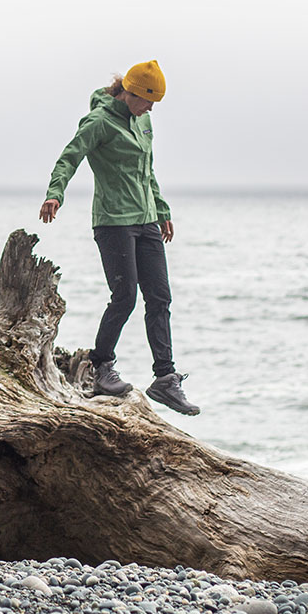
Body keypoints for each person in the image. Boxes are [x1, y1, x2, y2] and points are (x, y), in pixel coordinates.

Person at [39, 60, 200, 416]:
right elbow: (71, 156)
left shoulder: (143, 121)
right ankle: (100, 368)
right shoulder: (100, 122)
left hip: (145, 221)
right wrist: (55, 193)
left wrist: (162, 210)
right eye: (147, 100)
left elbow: (148, 170)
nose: (151, 108)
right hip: (113, 221)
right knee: (125, 296)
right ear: (128, 92)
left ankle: (165, 379)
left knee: (159, 299)